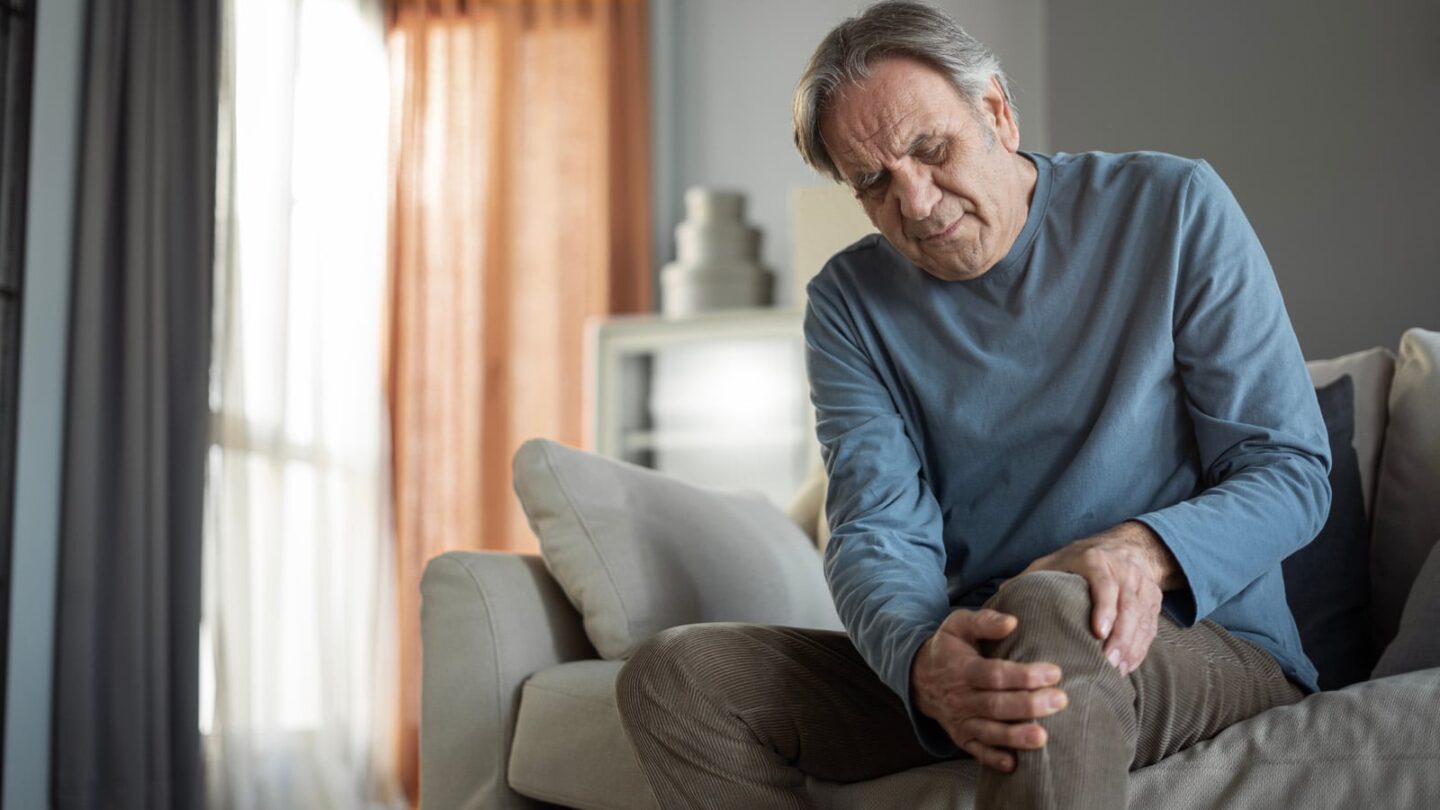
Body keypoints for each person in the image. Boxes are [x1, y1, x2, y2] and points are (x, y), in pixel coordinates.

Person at [616, 2, 1332, 808]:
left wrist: (1139, 551)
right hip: (990, 643)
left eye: (930, 150)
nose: (915, 203)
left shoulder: (1172, 205)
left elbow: (1291, 470)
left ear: (996, 110)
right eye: (874, 183)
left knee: (1050, 616)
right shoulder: (849, 303)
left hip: (1208, 642)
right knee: (677, 678)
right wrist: (921, 659)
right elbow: (877, 526)